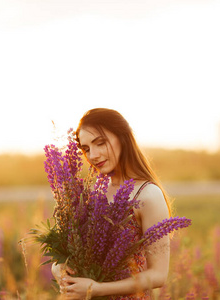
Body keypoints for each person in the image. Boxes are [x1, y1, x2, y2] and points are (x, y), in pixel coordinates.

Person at [51, 108, 172, 299]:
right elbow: (72, 252)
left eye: (100, 143)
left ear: (122, 138)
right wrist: (59, 267)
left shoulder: (148, 194)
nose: (93, 155)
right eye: (86, 149)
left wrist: (96, 289)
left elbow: (158, 275)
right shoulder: (91, 193)